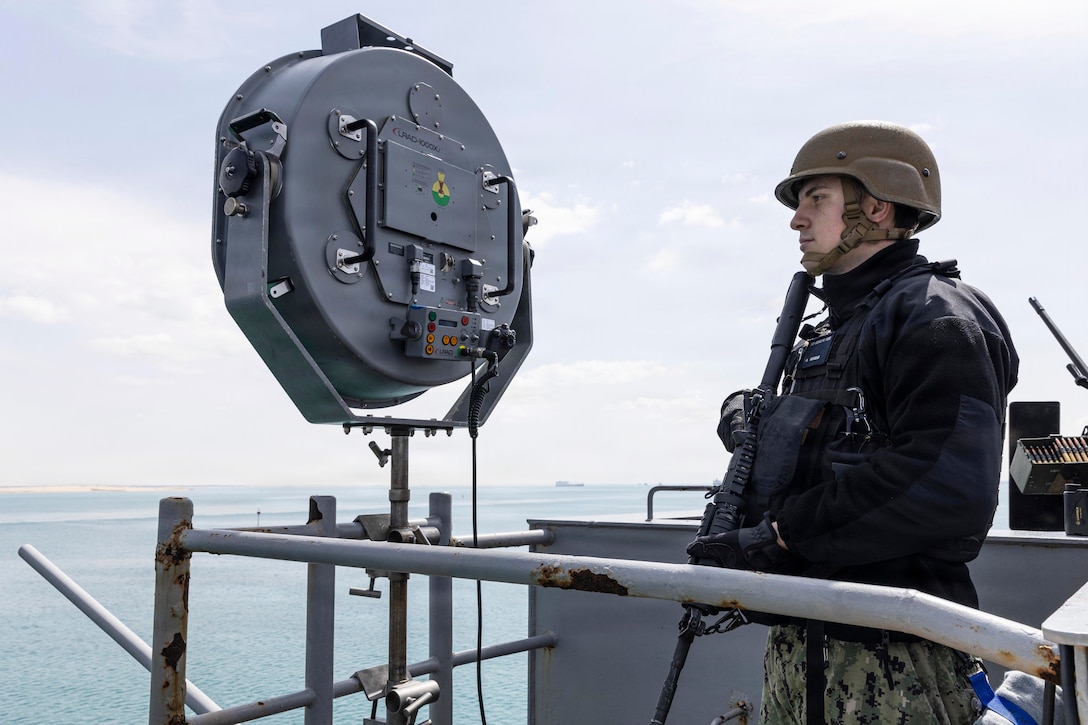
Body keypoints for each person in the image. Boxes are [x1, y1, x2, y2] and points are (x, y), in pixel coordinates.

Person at [686, 120, 1020, 724]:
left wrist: (780, 536)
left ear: (876, 205)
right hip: (802, 639)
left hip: (892, 653)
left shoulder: (936, 317)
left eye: (816, 199)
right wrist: (751, 421)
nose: (796, 219)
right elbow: (829, 442)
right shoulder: (835, 328)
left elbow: (944, 485)